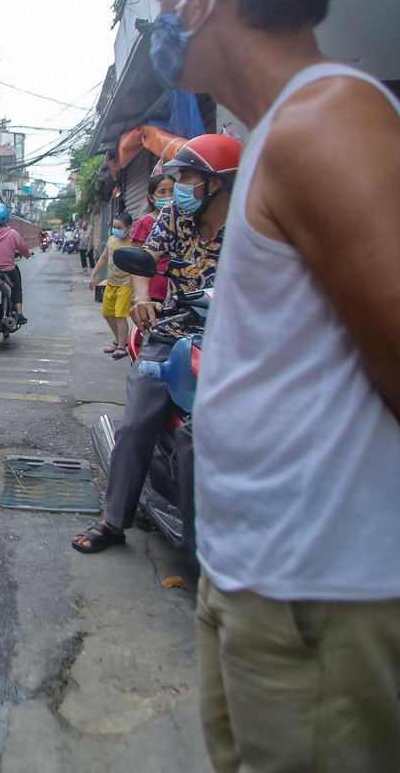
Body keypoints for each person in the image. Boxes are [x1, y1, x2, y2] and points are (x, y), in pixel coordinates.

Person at [116, 0, 400, 770]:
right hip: (263, 570)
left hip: (310, 581)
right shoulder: (288, 127)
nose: (158, 15)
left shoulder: (323, 124)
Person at [74, 135, 238, 555]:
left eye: (185, 178)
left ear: (214, 184)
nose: (177, 186)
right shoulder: (173, 218)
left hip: (238, 342)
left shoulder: (251, 227)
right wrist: (144, 298)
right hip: (176, 332)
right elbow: (146, 257)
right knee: (137, 422)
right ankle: (114, 521)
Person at [87, 211, 133, 360]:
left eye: (119, 227)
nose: (116, 229)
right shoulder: (111, 240)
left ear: (128, 228)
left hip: (126, 285)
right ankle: (118, 340)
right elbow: (104, 258)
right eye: (114, 226)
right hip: (111, 283)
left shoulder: (132, 244)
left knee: (120, 315)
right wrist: (93, 275)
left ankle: (121, 347)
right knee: (107, 313)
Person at [132, 173, 175, 305]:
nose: (168, 196)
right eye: (162, 192)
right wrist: (138, 294)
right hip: (154, 291)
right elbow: (136, 261)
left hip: (177, 290)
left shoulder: (185, 222)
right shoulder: (145, 223)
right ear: (151, 197)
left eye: (172, 191)